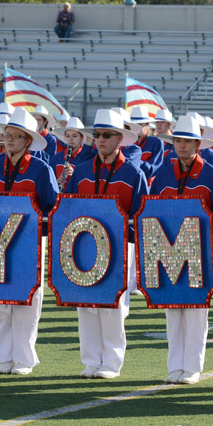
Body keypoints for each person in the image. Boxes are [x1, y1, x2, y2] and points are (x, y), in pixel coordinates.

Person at [0, 108, 59, 375]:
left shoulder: (41, 169)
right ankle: (3, 357)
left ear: (28, 141)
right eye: (7, 135)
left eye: (15, 136)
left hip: (29, 243)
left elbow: (52, 206)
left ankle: (23, 358)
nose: (8, 140)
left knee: (27, 301)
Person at [65, 109, 147, 379]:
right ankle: (90, 360)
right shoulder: (83, 171)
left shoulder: (133, 173)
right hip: (85, 245)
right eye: (97, 135)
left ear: (120, 139)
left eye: (107, 135)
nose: (100, 140)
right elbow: (69, 206)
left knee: (112, 305)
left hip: (120, 246)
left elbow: (141, 214)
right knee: (86, 304)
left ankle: (111, 362)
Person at [151, 115, 213, 384]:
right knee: (172, 311)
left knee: (196, 313)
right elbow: (153, 210)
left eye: (187, 141)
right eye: (178, 141)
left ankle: (192, 367)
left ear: (198, 144)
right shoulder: (162, 173)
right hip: (167, 250)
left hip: (200, 254)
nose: (182, 146)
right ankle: (174, 366)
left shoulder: (212, 174)